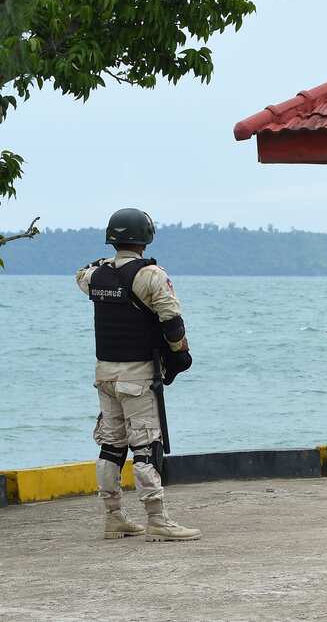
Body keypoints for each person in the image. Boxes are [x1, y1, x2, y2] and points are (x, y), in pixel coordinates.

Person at [76, 208, 200, 542]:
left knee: (111, 447)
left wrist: (105, 263)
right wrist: (180, 354)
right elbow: (172, 322)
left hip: (105, 373)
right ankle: (157, 520)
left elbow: (82, 276)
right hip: (138, 375)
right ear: (146, 237)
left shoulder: (94, 276)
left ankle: (114, 517)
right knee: (146, 448)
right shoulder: (151, 275)